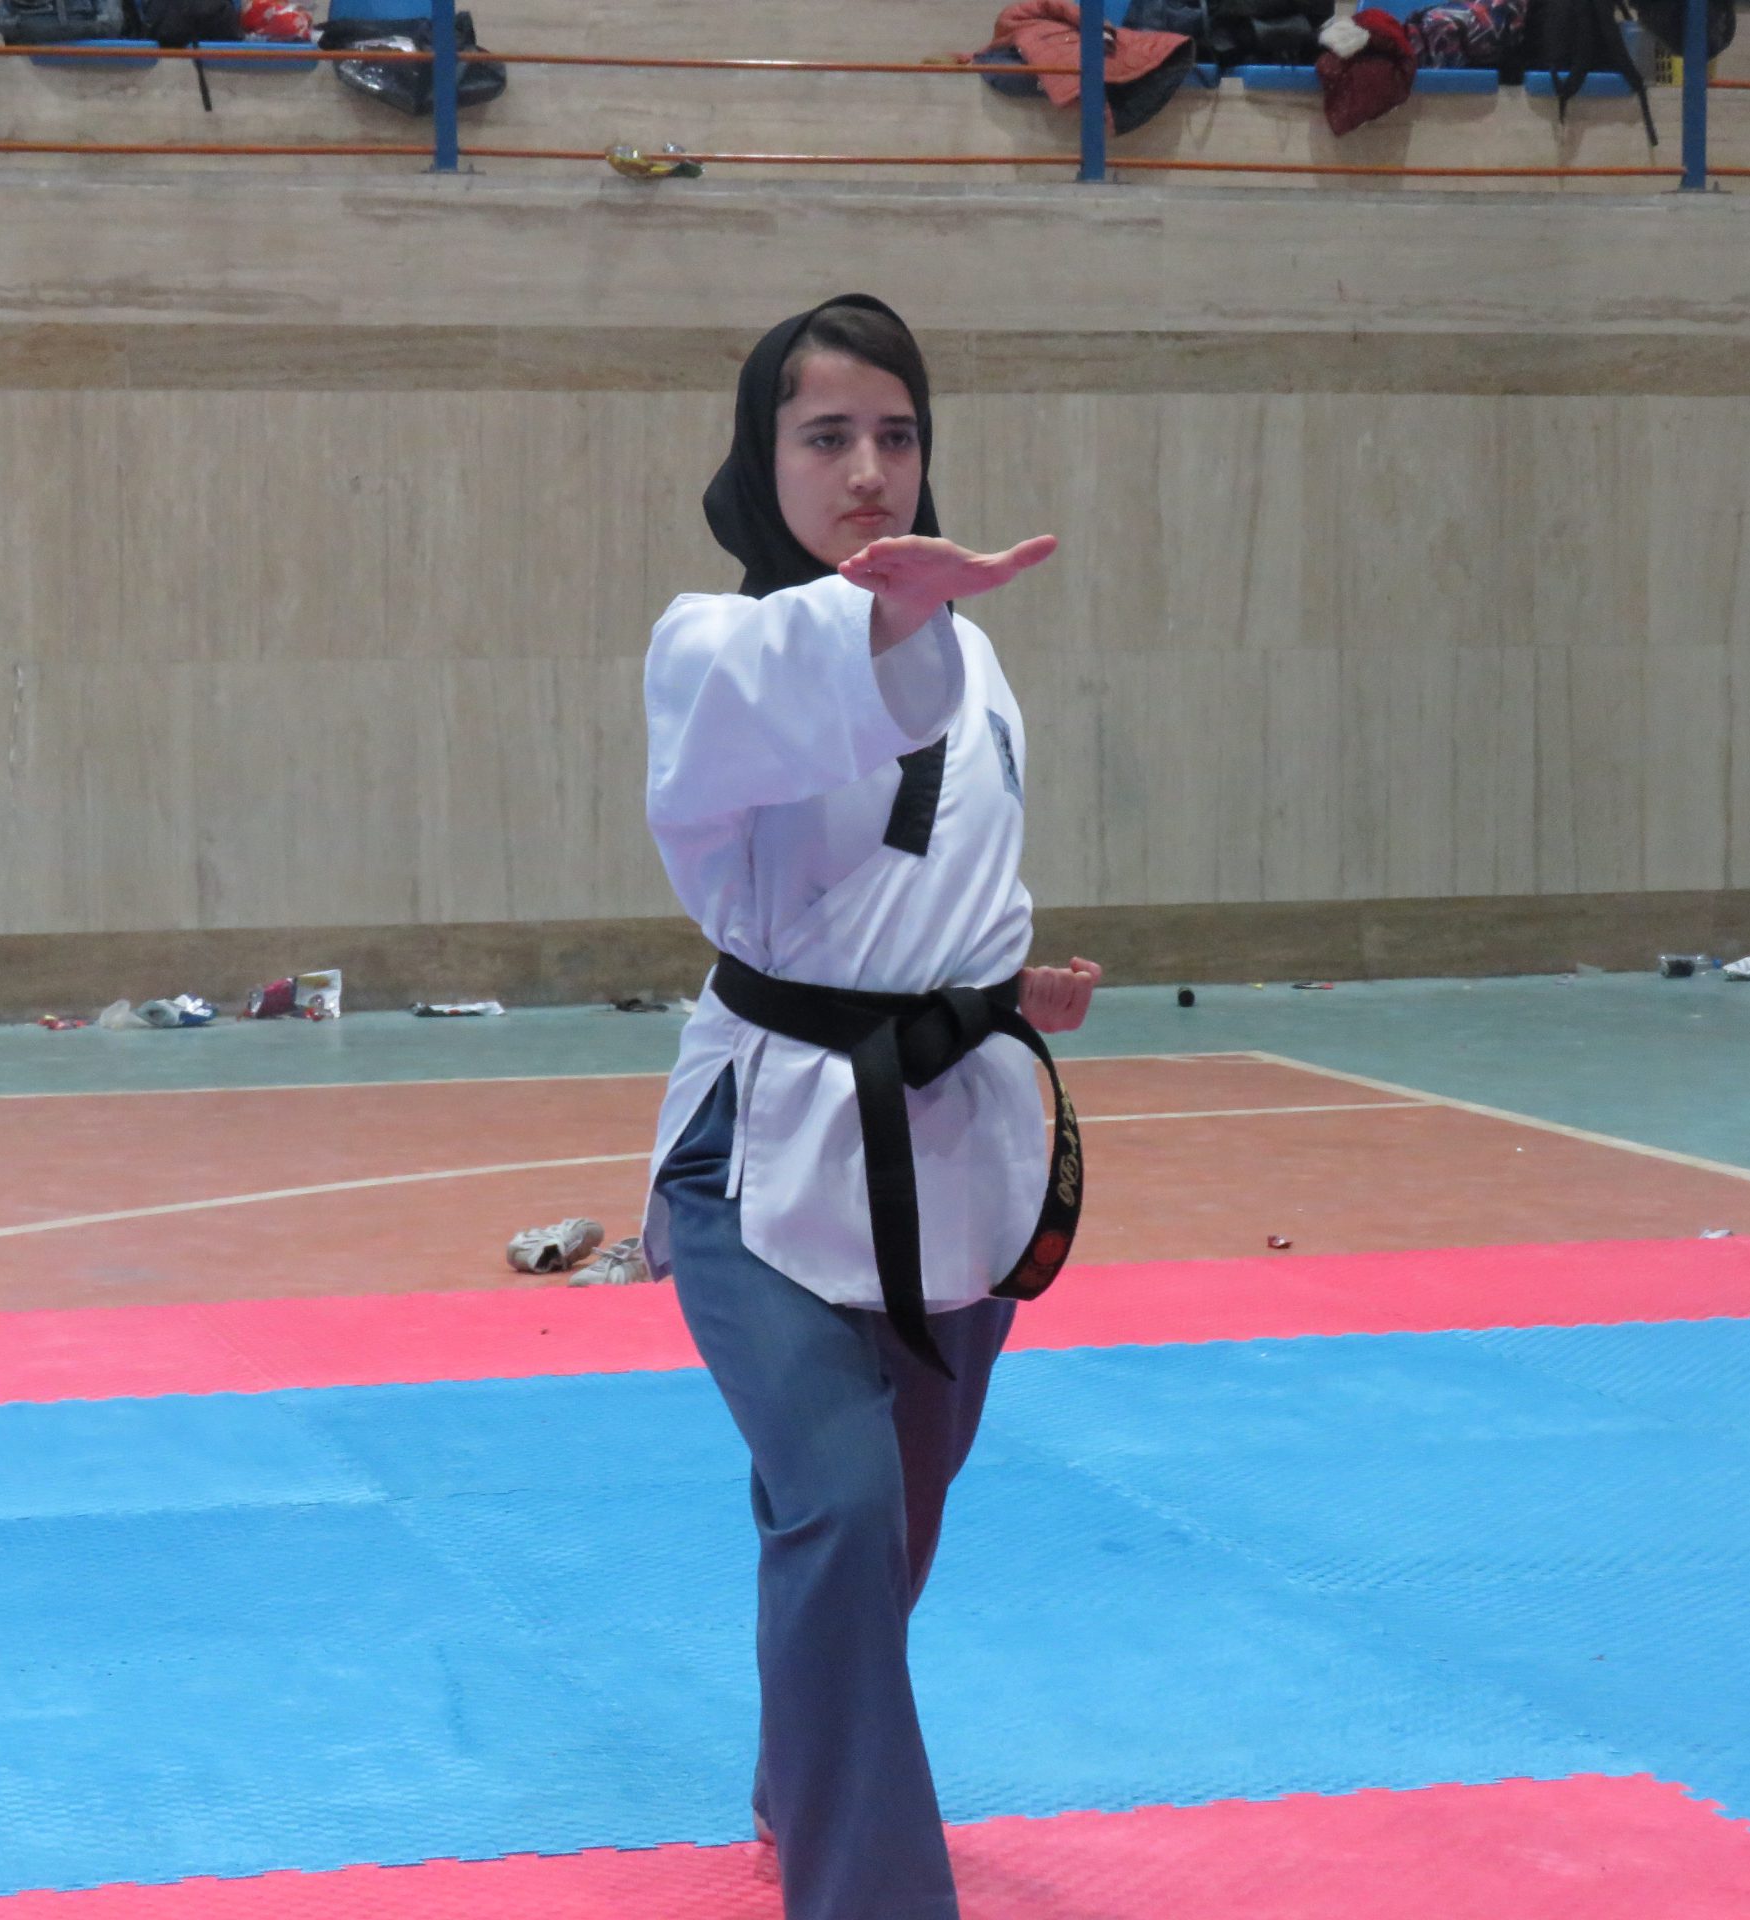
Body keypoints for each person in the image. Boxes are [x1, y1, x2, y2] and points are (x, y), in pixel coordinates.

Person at [639, 291, 1102, 1920]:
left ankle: (800, 1778)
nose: (867, 471)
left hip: (948, 1134)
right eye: (825, 436)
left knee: (892, 1521)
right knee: (837, 1508)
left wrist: (1006, 985)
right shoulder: (712, 645)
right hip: (758, 1155)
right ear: (761, 459)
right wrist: (883, 617)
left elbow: (932, 885)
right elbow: (789, 702)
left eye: (895, 436)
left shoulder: (979, 659)